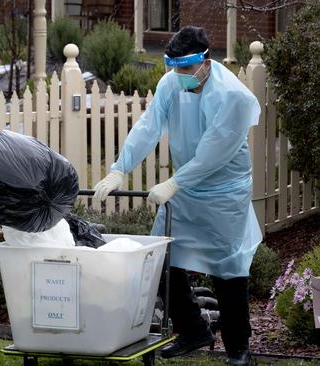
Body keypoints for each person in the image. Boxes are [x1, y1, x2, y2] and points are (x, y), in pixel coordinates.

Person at [93, 26, 262, 366]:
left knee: (228, 270)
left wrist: (173, 184)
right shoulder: (172, 83)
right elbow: (148, 126)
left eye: (186, 67)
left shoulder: (233, 97)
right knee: (160, 259)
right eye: (175, 67)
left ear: (205, 62)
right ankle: (193, 330)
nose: (179, 74)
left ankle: (238, 349)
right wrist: (119, 168)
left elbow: (213, 154)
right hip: (186, 187)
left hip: (223, 192)